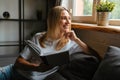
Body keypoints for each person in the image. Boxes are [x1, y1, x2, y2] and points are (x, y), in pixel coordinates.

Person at [0, 6, 96, 80]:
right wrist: (37, 68)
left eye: (69, 18)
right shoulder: (38, 36)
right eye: (63, 18)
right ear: (54, 21)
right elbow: (18, 62)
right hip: (13, 72)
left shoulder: (71, 43)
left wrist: (77, 40)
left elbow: (94, 55)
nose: (68, 22)